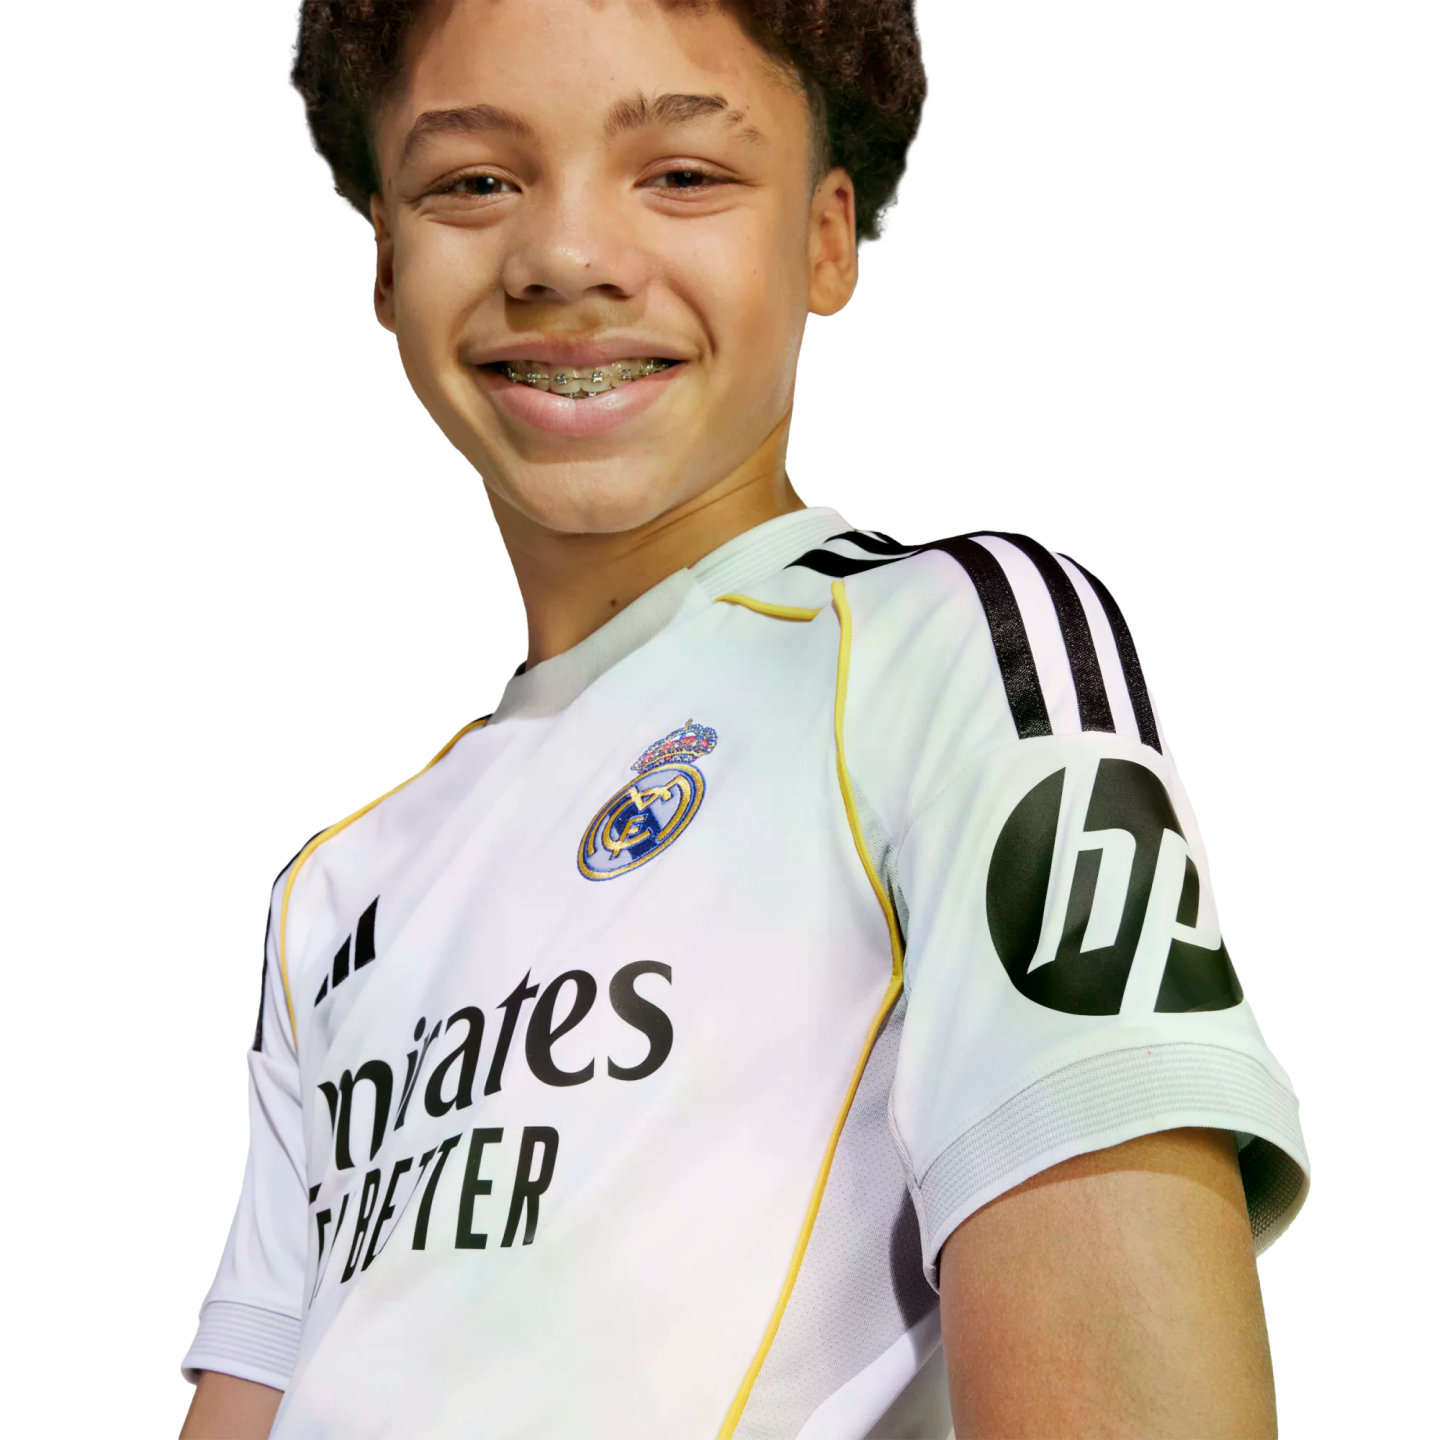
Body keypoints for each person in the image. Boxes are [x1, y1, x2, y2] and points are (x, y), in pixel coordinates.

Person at [178, 2, 1310, 1436]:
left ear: (828, 240)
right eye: (474, 180)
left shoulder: (944, 648)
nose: (564, 257)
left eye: (682, 174)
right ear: (388, 267)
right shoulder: (334, 892)